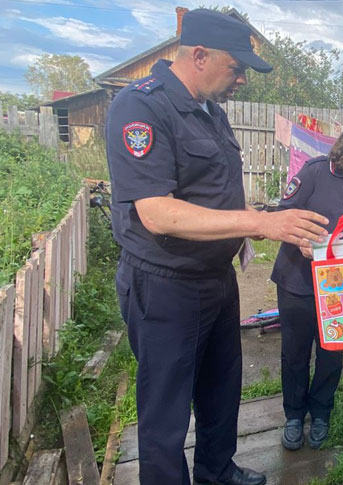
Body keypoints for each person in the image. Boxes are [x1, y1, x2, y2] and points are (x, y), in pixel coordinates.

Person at [106, 9, 329, 485]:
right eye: (237, 67)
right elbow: (157, 212)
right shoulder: (141, 106)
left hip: (215, 279)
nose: (243, 79)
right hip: (165, 283)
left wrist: (253, 223)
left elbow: (212, 190)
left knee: (221, 388)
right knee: (165, 406)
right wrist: (259, 223)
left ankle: (216, 471)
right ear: (200, 55)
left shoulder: (210, 110)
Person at [270, 108, 343, 451]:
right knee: (294, 353)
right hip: (297, 280)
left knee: (331, 352)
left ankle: (321, 413)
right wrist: (301, 239)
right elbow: (282, 213)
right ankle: (294, 415)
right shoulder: (315, 171)